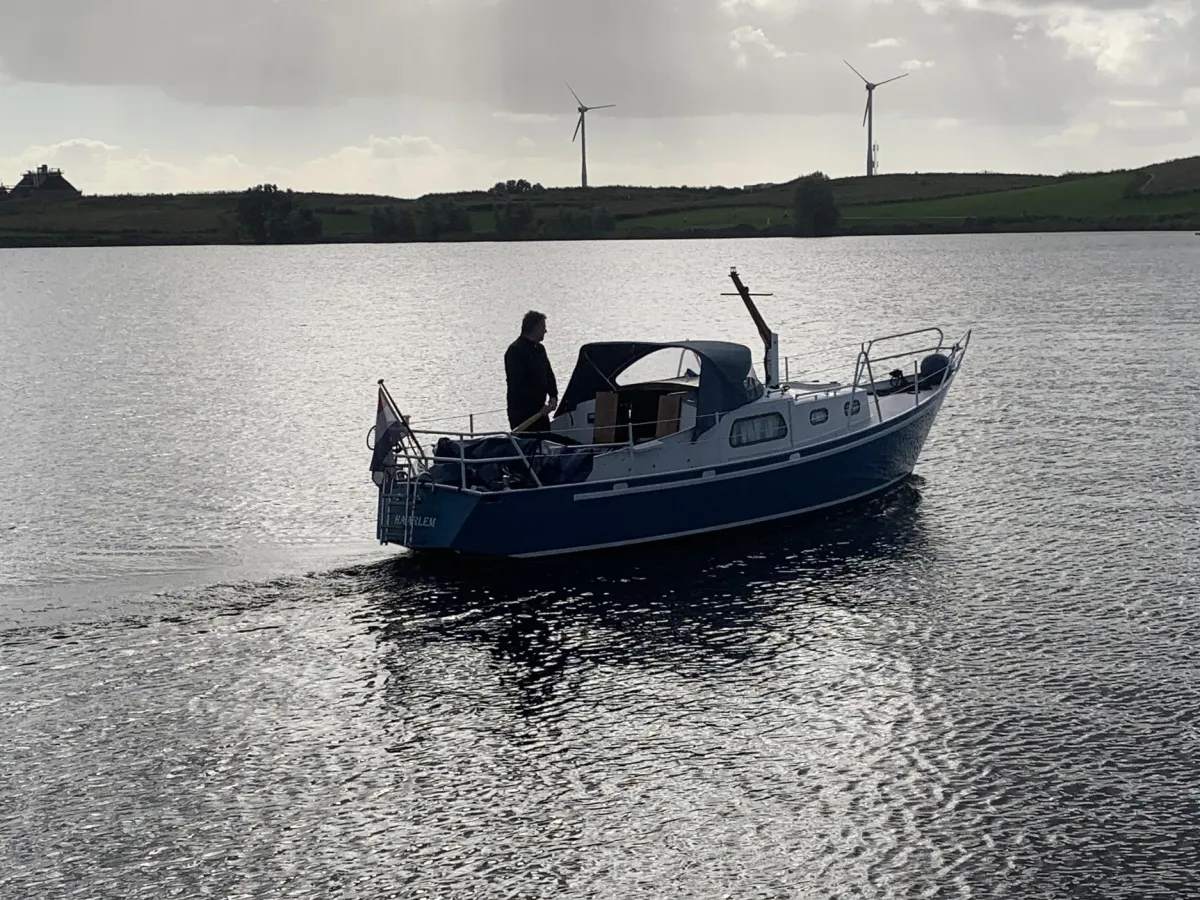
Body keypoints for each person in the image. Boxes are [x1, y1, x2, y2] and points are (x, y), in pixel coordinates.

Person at [505, 310, 558, 436]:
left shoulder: (540, 349)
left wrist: (553, 395)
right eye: (543, 328)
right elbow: (518, 385)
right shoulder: (515, 351)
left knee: (545, 441)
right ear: (535, 328)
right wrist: (538, 408)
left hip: (542, 411)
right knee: (528, 445)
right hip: (523, 413)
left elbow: (549, 374)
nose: (545, 331)